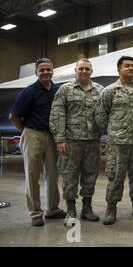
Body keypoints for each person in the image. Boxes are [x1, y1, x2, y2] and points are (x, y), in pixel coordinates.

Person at [9, 57, 66, 226]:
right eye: (42, 70)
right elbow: (13, 116)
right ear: (36, 73)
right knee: (33, 175)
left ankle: (52, 209)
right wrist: (26, 131)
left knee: (53, 174)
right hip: (33, 134)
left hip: (52, 136)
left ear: (52, 71)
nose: (46, 72)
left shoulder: (58, 90)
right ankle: (35, 212)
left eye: (48, 69)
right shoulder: (28, 92)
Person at [95, 56, 133, 225]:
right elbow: (100, 115)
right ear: (118, 69)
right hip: (117, 144)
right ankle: (111, 209)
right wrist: (112, 133)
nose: (131, 68)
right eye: (127, 66)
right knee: (115, 177)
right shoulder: (110, 91)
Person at [49, 58, 104, 225]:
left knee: (91, 176)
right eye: (81, 69)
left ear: (91, 71)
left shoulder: (99, 90)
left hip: (92, 141)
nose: (84, 71)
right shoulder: (65, 89)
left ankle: (87, 208)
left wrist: (105, 136)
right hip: (71, 142)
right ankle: (71, 210)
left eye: (87, 69)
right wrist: (60, 139)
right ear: (75, 70)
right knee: (70, 177)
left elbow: (104, 115)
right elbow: (57, 114)